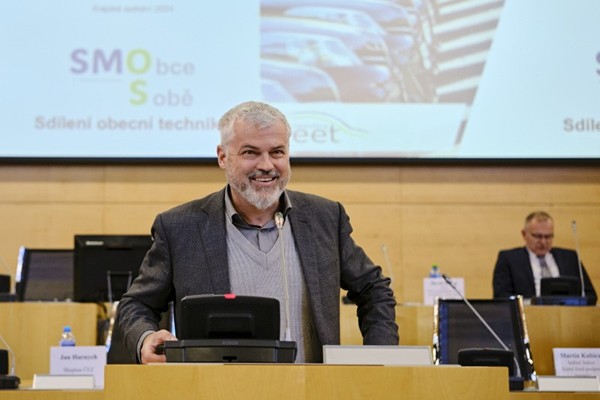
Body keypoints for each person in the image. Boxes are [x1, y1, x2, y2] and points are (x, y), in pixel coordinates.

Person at [116, 101, 399, 364]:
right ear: (223, 157)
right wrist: (145, 338)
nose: (266, 165)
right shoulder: (181, 227)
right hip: (215, 390)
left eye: (277, 152)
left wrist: (378, 360)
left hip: (310, 390)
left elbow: (374, 290)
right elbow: (136, 304)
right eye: (250, 152)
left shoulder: (324, 218)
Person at [492, 211, 597, 304]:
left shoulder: (570, 258)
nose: (543, 242)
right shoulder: (509, 259)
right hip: (530, 316)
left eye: (548, 236)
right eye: (538, 236)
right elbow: (501, 298)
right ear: (524, 234)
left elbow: (591, 296)